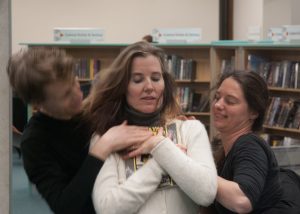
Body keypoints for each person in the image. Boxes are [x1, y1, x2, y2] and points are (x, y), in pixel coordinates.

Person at [7, 47, 152, 214]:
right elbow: (65, 206)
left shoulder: (92, 101)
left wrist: (178, 126)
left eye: (74, 82)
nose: (78, 94)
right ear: (39, 104)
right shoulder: (34, 142)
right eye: (66, 95)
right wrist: (102, 147)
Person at [83, 41, 217, 214]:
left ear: (164, 84)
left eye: (155, 78)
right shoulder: (106, 139)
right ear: (123, 87)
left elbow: (206, 193)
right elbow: (108, 208)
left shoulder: (190, 129)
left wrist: (159, 144)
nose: (149, 87)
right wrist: (159, 164)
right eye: (137, 80)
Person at [212, 70, 300, 213]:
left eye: (230, 101)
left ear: (253, 112)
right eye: (217, 97)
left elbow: (242, 200)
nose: (218, 105)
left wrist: (197, 173)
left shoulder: (249, 145)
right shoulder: (227, 146)